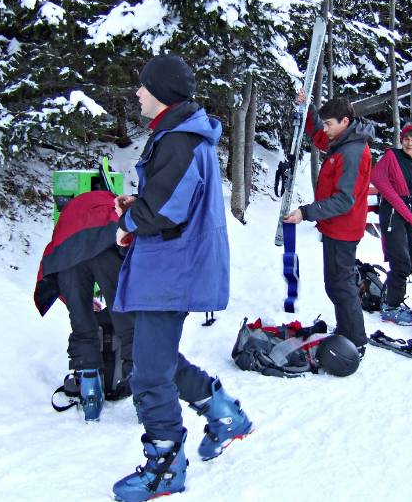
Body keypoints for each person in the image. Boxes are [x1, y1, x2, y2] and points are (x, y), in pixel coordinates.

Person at [110, 54, 252, 502]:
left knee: (149, 373)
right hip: (174, 264)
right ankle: (224, 412)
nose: (137, 93)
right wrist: (140, 203)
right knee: (160, 359)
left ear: (162, 92)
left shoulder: (179, 139)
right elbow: (172, 197)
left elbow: (165, 210)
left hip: (171, 268)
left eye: (143, 86)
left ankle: (166, 466)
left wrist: (129, 221)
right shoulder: (183, 135)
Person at [283, 92, 373, 355]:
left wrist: (306, 212)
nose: (326, 129)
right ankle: (347, 331)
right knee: (336, 283)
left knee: (340, 284)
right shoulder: (343, 139)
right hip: (337, 227)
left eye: (329, 123)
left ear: (345, 121)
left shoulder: (353, 152)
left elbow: (344, 200)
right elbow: (320, 137)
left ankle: (355, 340)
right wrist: (308, 109)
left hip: (344, 229)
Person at [34, 190, 134, 422]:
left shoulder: (68, 216)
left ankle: (91, 399)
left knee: (82, 326)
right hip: (107, 248)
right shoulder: (111, 204)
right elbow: (127, 243)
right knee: (129, 327)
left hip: (68, 257)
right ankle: (146, 400)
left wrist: (73, 300)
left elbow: (52, 262)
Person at [371, 124, 412, 324]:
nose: (409, 143)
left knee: (410, 261)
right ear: (402, 140)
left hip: (408, 213)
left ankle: (389, 297)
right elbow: (377, 176)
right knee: (401, 260)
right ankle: (391, 307)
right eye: (406, 139)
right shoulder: (392, 157)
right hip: (393, 212)